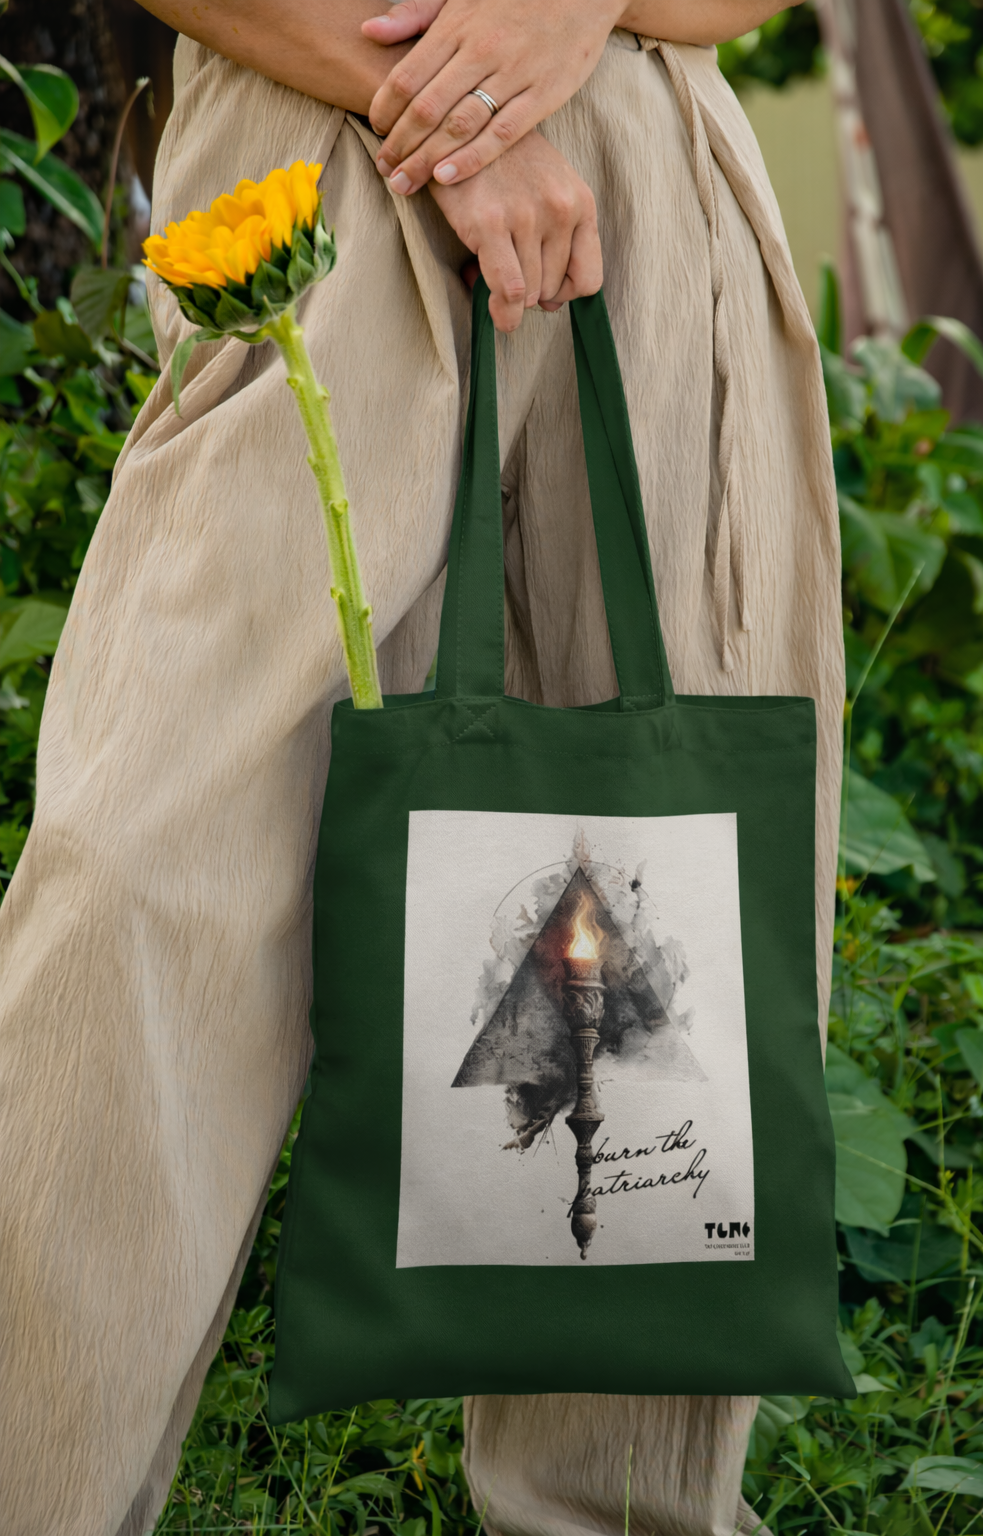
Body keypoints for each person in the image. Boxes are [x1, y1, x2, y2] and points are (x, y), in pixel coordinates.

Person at [0, 0, 844, 1532]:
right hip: (310, 172)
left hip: (657, 194)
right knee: (134, 886)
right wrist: (462, 117)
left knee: (644, 933)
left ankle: (613, 1510)